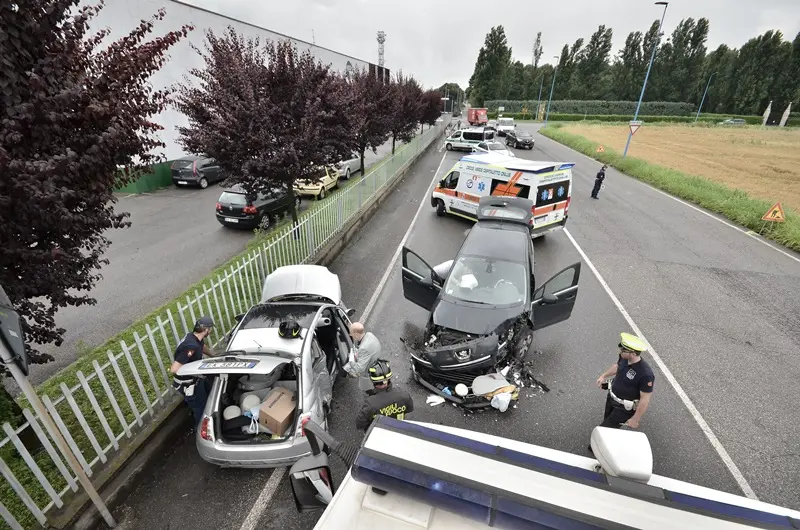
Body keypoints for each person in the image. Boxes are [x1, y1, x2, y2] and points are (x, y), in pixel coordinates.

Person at [592, 332, 655, 442]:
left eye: (623, 350)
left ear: (634, 354)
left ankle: (596, 447)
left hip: (624, 409)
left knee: (602, 431)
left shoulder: (645, 375)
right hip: (611, 398)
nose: (620, 352)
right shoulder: (624, 358)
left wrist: (635, 419)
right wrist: (604, 376)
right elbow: (617, 366)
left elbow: (645, 400)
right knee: (607, 422)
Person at [170, 316, 216, 428]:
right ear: (206, 329)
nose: (211, 331)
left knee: (209, 393)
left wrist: (213, 355)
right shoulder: (191, 346)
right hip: (188, 383)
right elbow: (174, 369)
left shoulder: (194, 337)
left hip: (196, 379)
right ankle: (200, 429)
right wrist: (194, 371)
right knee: (200, 409)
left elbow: (202, 346)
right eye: (210, 329)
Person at [355, 359, 415, 432]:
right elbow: (409, 409)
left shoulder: (370, 403)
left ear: (372, 380)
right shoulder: (404, 395)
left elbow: (360, 424)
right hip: (399, 430)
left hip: (378, 433)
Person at [343, 322, 382, 390]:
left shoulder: (363, 348)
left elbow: (359, 369)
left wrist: (351, 360)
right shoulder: (369, 335)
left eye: (351, 334)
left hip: (368, 374)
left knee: (367, 392)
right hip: (376, 363)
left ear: (356, 333)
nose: (351, 336)